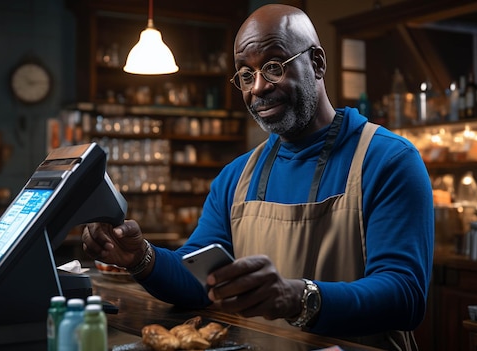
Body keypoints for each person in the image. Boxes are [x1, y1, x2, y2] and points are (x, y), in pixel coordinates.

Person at [82, 4, 433, 350]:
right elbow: (198, 282)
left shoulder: (388, 160)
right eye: (246, 75)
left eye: (274, 66)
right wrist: (141, 258)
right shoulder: (236, 177)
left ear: (317, 63)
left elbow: (404, 295)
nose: (258, 87)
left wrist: (299, 297)